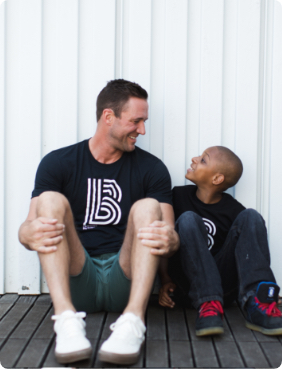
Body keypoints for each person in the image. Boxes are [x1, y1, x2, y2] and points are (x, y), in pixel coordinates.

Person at [18, 79, 179, 365]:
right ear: (108, 117)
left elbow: (169, 235)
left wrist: (171, 240)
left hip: (125, 276)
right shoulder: (58, 162)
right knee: (50, 200)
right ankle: (65, 320)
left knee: (147, 206)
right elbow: (28, 227)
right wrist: (28, 233)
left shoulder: (152, 168)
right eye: (136, 121)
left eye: (144, 121)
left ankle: (133, 321)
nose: (142, 130)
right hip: (79, 277)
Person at [159, 146, 282, 337]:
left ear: (217, 178)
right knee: (188, 219)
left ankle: (259, 302)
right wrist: (164, 280)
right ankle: (207, 302)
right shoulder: (177, 196)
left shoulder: (234, 211)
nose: (194, 159)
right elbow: (163, 237)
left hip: (224, 289)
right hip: (188, 287)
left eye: (202, 160)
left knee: (252, 216)